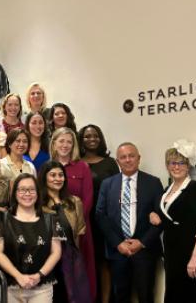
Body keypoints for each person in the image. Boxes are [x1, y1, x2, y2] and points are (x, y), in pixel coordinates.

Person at [96, 142, 163, 303]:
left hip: (145, 251)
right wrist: (118, 243)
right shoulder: (107, 184)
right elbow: (100, 215)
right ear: (118, 161)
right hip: (118, 251)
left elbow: (161, 218)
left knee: (146, 295)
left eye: (131, 156)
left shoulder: (153, 183)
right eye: (123, 157)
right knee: (120, 295)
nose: (128, 160)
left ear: (138, 158)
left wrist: (142, 242)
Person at [0, 173, 63, 303]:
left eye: (32, 189)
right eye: (22, 189)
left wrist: (39, 276)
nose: (27, 193)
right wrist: (18, 276)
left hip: (42, 287)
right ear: (15, 193)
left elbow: (56, 252)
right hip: (10, 287)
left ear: (38, 193)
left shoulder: (51, 220)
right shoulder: (1, 219)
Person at [152, 140, 196, 303]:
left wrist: (195, 257)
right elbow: (170, 217)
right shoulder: (166, 190)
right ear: (167, 165)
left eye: (181, 163)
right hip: (171, 253)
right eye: (172, 163)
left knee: (191, 294)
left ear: (189, 165)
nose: (176, 167)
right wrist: (154, 215)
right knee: (174, 293)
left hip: (190, 251)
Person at [50, 127, 96, 299]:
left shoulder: (82, 167)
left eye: (69, 141)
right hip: (53, 230)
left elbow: (88, 199)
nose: (65, 145)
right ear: (54, 143)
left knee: (81, 272)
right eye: (61, 141)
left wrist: (72, 225)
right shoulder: (47, 167)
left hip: (79, 229)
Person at [39, 160, 92, 303]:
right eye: (53, 175)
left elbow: (79, 232)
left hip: (72, 259)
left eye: (61, 175)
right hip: (47, 261)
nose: (57, 179)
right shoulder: (38, 204)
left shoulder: (75, 202)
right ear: (44, 177)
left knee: (76, 297)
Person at [77, 124, 119, 303]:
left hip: (104, 220)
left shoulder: (109, 163)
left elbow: (117, 190)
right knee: (86, 261)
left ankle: (105, 299)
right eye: (87, 136)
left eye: (95, 136)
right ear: (81, 140)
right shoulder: (77, 163)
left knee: (104, 262)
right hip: (82, 219)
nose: (91, 139)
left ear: (100, 138)